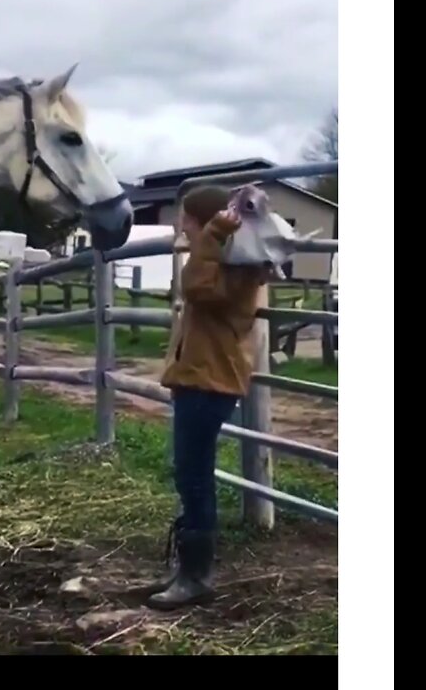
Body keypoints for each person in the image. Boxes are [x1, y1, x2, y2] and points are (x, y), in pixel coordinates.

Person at [141, 185, 268, 611]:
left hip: (211, 383)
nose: (182, 227)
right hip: (199, 380)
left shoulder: (236, 267)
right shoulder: (224, 261)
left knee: (194, 477)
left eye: (188, 220)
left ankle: (197, 576)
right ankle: (189, 569)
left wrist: (212, 235)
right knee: (189, 475)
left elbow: (196, 289)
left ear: (210, 222)